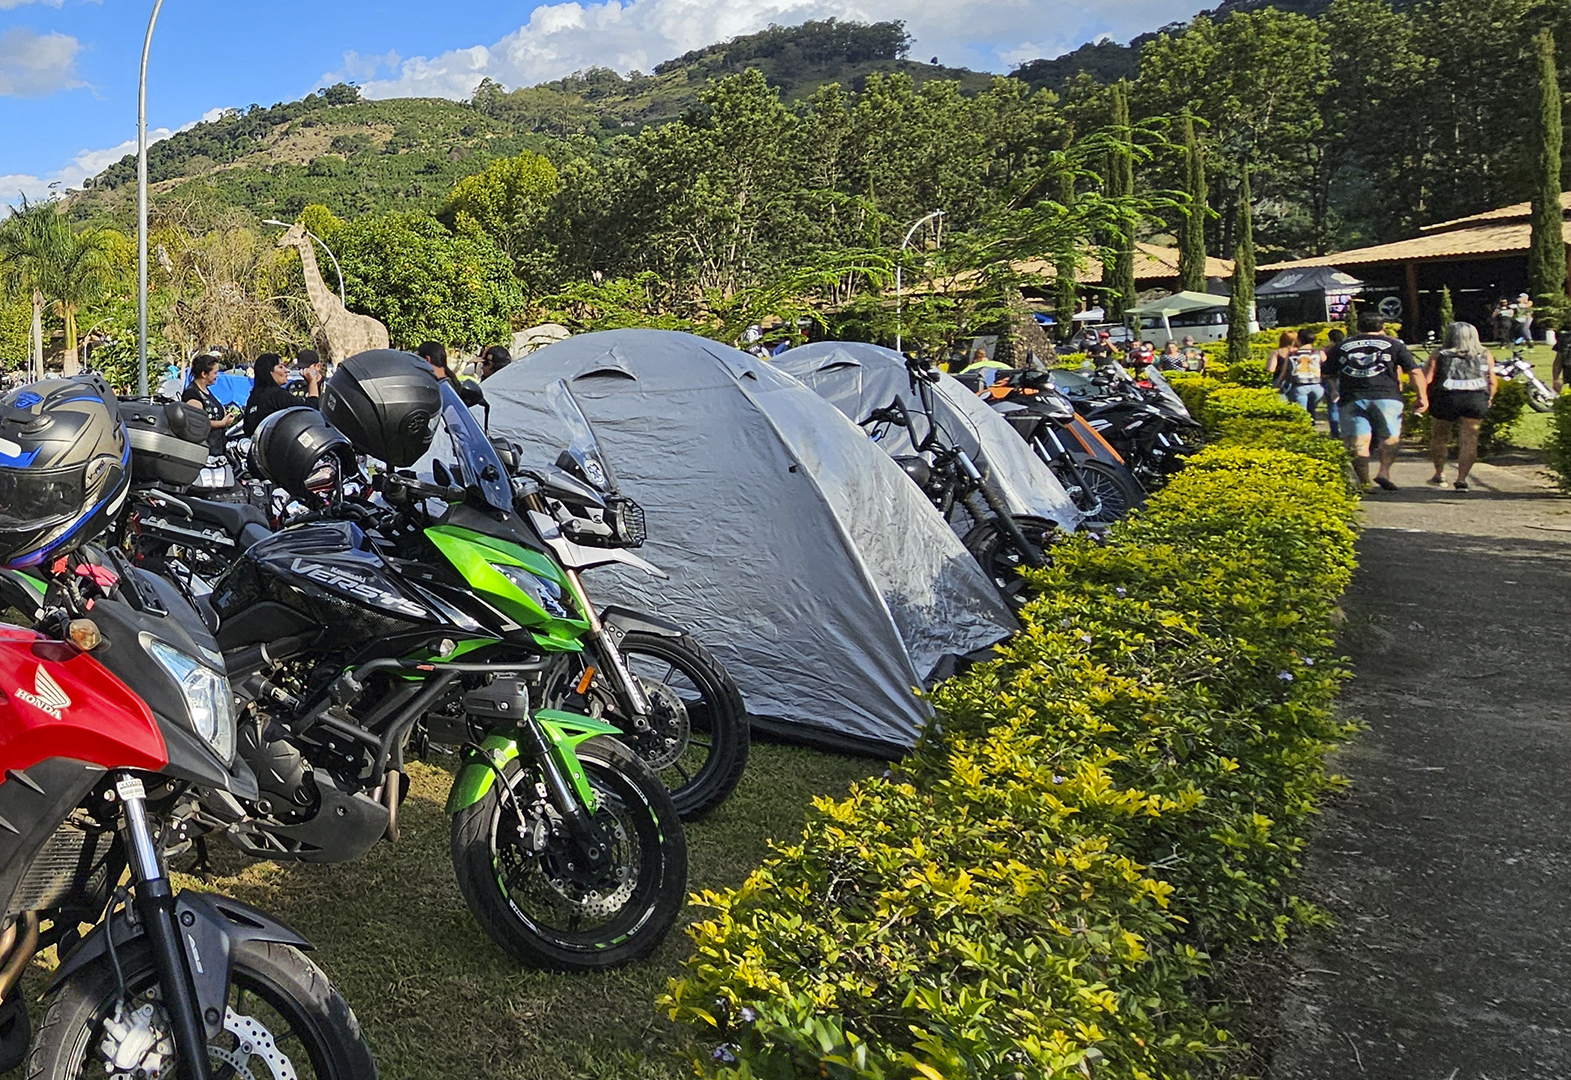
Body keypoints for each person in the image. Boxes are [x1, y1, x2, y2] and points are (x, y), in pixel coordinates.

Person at [1324, 310, 1428, 491]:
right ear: (1383, 327)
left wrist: (1335, 388)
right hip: (1387, 397)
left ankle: (1364, 482)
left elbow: (1325, 372)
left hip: (1352, 397)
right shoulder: (1394, 344)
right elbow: (1415, 371)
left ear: (1357, 327)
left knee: (1358, 442)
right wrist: (1422, 397)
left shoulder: (1341, 346)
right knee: (1389, 437)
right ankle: (1384, 472)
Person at [1424, 321, 1497, 492]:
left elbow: (1427, 379)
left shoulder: (1439, 354)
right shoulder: (1485, 354)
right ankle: (1462, 479)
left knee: (1440, 436)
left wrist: (1423, 397)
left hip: (1446, 397)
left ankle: (1440, 474)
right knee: (1470, 440)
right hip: (1475, 397)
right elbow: (1492, 380)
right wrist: (1490, 398)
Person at [243, 352, 315, 436]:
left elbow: (247, 429)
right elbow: (311, 411)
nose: (286, 370)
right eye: (281, 367)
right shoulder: (277, 395)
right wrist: (312, 382)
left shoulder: (252, 398)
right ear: (269, 372)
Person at [181, 353, 238, 456]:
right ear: (204, 374)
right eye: (215, 372)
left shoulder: (206, 391)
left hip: (217, 449)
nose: (218, 376)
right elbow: (197, 422)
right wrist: (221, 423)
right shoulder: (192, 394)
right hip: (205, 452)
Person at [1283, 329, 1327, 423]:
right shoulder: (1320, 353)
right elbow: (1327, 368)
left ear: (1298, 340)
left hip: (1299, 386)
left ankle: (1305, 432)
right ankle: (1313, 426)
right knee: (1312, 409)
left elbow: (1285, 371)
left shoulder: (1291, 354)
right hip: (1317, 386)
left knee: (1301, 414)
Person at [1323, 328, 1345, 438]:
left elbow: (1325, 369)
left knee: (1333, 407)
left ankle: (1335, 433)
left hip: (1332, 380)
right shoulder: (1347, 349)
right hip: (1347, 380)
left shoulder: (1328, 350)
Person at [1265, 330, 1298, 395]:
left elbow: (1271, 369)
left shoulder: (1277, 352)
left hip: (1281, 380)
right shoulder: (1299, 351)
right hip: (1297, 380)